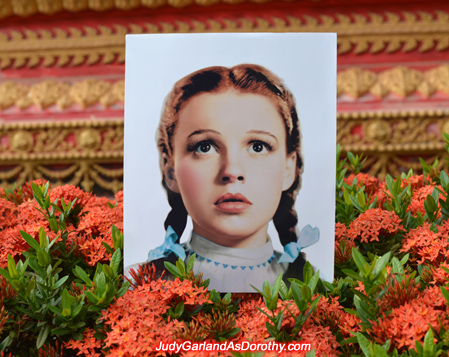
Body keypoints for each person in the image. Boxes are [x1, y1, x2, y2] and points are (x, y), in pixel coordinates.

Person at [129, 64, 319, 292]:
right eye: (205, 146)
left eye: (258, 147)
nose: (231, 170)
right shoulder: (133, 287)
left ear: (289, 167)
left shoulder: (320, 292)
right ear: (170, 170)